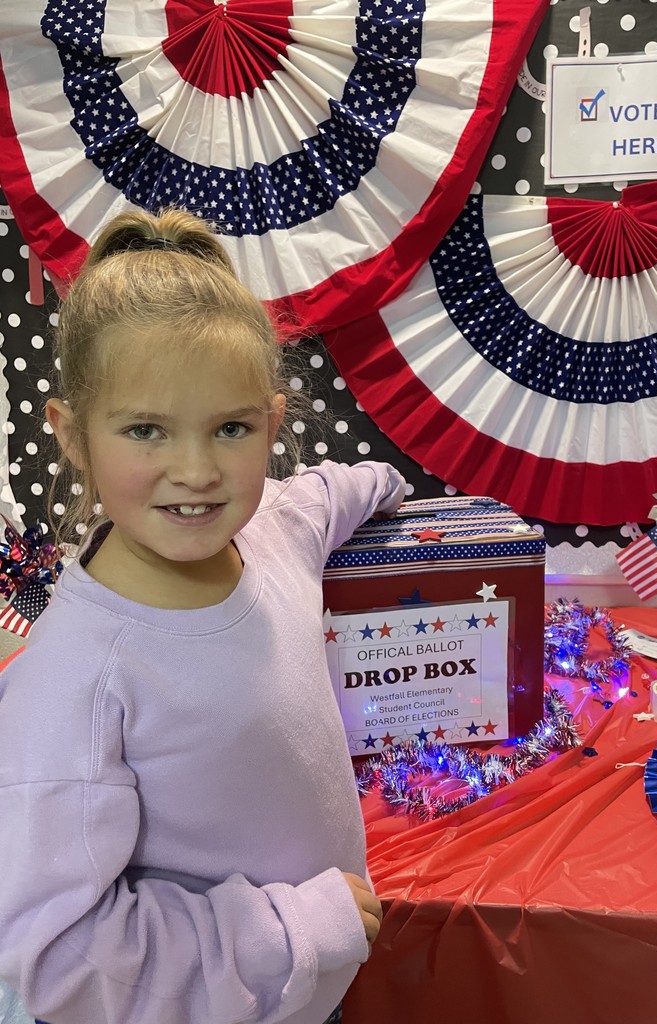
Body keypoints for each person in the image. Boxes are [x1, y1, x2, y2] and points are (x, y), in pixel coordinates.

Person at [0, 209, 406, 1024]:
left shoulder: (275, 530)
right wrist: (294, 932)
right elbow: (61, 956)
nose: (195, 471)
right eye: (146, 430)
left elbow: (330, 493)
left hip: (313, 992)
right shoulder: (75, 681)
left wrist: (388, 486)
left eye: (230, 428)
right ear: (73, 436)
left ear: (272, 423)